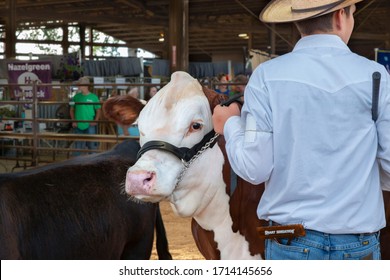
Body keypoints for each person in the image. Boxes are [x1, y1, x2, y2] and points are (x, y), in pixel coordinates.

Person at [212, 0, 390, 260]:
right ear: (341, 16)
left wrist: (229, 124)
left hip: (290, 240)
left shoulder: (267, 76)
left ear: (297, 20)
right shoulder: (375, 76)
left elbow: (254, 168)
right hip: (358, 243)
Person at [69, 76, 101, 156]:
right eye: (78, 85)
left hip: (90, 124)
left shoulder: (94, 97)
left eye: (80, 85)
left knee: (91, 145)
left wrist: (95, 121)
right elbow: (71, 110)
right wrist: (74, 121)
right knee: (78, 146)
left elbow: (98, 110)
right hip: (78, 124)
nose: (78, 86)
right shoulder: (75, 97)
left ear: (86, 85)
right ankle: (76, 163)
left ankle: (92, 163)